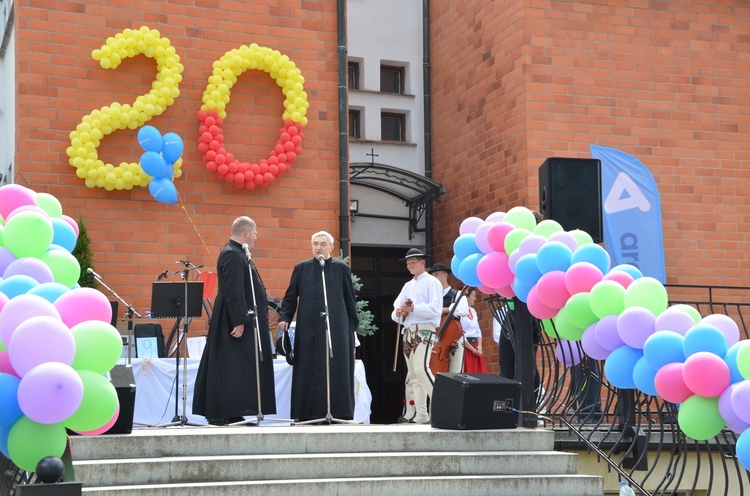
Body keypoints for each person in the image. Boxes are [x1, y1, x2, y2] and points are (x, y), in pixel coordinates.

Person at [193, 216, 276, 425]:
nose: (256, 237)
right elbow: (233, 290)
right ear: (246, 232)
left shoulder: (239, 253)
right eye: (255, 233)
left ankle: (235, 409)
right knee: (230, 365)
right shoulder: (232, 254)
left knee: (238, 366)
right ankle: (225, 411)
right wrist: (239, 320)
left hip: (242, 318)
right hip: (234, 321)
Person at [277, 231, 359, 422]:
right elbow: (290, 299)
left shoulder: (341, 269)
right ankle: (307, 414)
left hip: (336, 330)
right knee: (307, 368)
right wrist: (285, 318)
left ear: (331, 247)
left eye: (323, 244)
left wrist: (349, 328)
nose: (318, 247)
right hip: (308, 330)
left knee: (336, 369)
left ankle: (339, 413)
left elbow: (350, 301)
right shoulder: (301, 268)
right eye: (315, 243)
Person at [391, 248, 443, 424]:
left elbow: (435, 310)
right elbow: (395, 311)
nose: (409, 265)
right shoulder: (408, 285)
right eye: (408, 263)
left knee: (421, 368)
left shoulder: (432, 282)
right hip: (409, 330)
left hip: (424, 329)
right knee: (413, 374)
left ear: (423, 263)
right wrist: (400, 311)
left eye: (413, 262)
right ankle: (421, 414)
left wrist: (413, 308)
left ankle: (444, 406)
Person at [427, 263, 468, 374]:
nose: (434, 278)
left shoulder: (457, 294)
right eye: (433, 275)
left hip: (454, 336)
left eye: (436, 275)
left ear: (445, 275)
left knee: (456, 369)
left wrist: (444, 310)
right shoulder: (430, 296)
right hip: (435, 337)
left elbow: (464, 310)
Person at [460, 287, 488, 373]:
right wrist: (472, 349)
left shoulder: (473, 311)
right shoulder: (459, 311)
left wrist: (479, 347)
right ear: (466, 297)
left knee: (481, 374)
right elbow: (460, 333)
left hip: (476, 347)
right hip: (467, 348)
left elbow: (478, 331)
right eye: (473, 296)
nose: (475, 298)